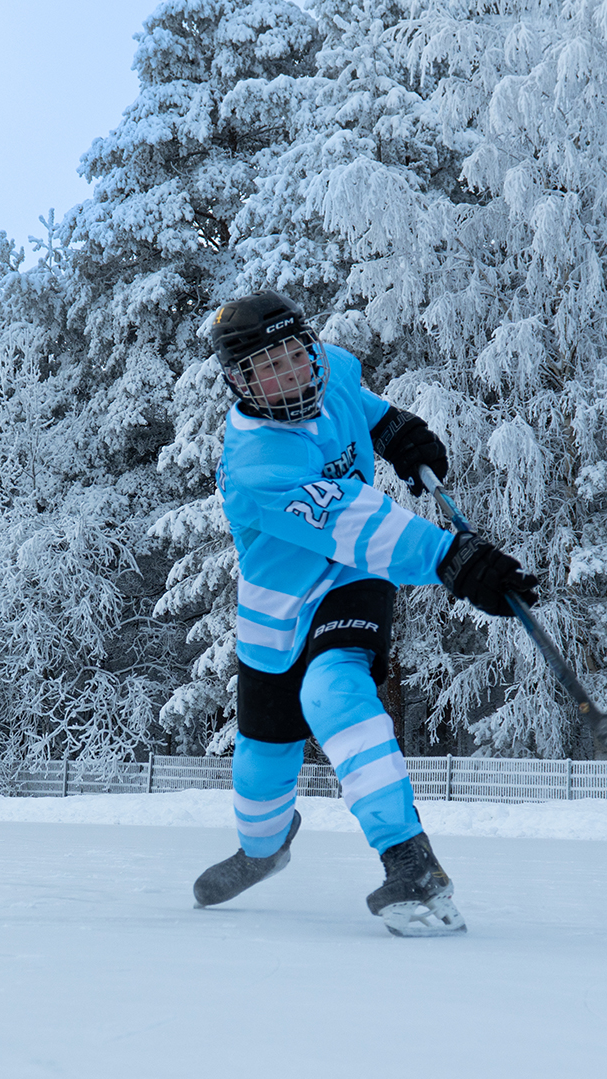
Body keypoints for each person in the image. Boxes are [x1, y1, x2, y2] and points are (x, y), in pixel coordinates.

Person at [190, 291, 539, 937]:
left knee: (335, 692)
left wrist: (400, 435)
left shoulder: (335, 370)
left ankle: (410, 859)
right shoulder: (258, 464)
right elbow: (360, 522)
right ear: (238, 383)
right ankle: (263, 847)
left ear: (310, 349)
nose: (289, 376)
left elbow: (364, 412)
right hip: (276, 612)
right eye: (266, 370)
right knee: (261, 769)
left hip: (352, 578)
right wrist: (456, 561)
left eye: (294, 356)